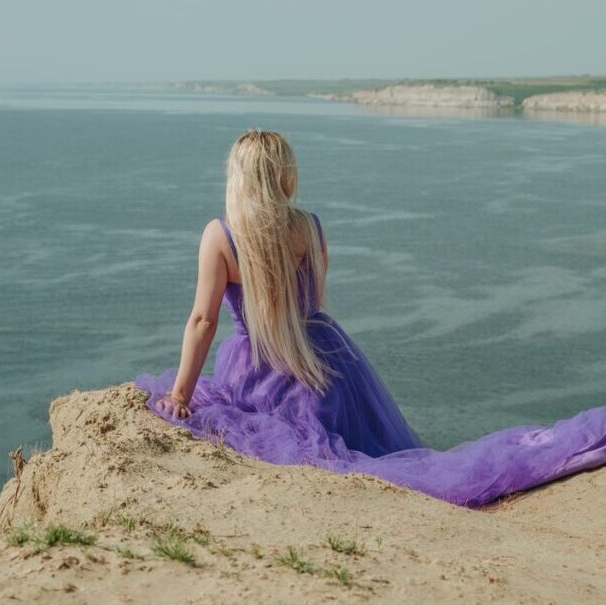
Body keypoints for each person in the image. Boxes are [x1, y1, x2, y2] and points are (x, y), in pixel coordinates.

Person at [135, 129, 606, 507]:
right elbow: (312, 302)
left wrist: (180, 394)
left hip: (257, 372)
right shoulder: (310, 226)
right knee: (374, 451)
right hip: (327, 367)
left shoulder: (220, 235)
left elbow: (203, 321)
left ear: (238, 178)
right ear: (284, 175)